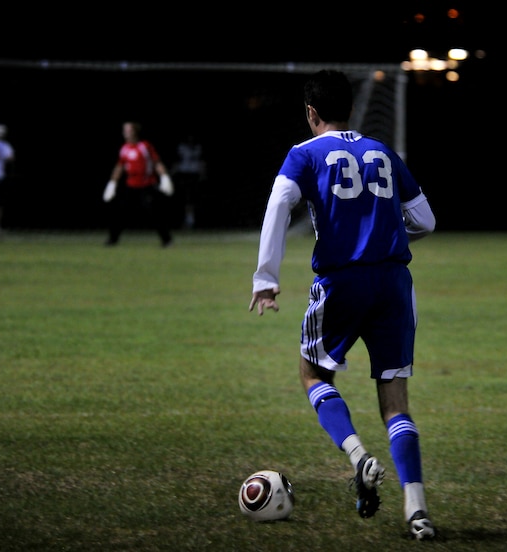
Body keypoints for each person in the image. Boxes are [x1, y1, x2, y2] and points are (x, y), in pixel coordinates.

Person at [249, 70, 437, 540]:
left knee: (313, 374)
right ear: (352, 109)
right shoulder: (383, 152)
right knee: (395, 402)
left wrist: (265, 279)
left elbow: (278, 205)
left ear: (311, 113)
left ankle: (359, 457)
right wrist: (386, 235)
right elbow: (426, 220)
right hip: (394, 283)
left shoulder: (305, 154)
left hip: (342, 283)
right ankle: (417, 509)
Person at [102, 121, 175, 247]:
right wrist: (112, 183)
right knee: (120, 212)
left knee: (155, 213)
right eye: (124, 130)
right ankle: (113, 239)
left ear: (134, 131)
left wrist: (164, 177)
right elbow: (120, 166)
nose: (125, 132)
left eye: (128, 130)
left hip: (147, 185)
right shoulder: (124, 149)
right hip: (131, 185)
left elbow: (156, 162)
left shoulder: (144, 146)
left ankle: (166, 240)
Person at [172, 135, 206, 230]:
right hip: (184, 174)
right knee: (185, 198)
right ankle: (186, 220)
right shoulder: (182, 148)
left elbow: (202, 161)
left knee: (193, 198)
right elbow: (177, 161)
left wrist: (203, 174)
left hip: (195, 174)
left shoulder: (198, 148)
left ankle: (193, 220)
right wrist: (171, 174)